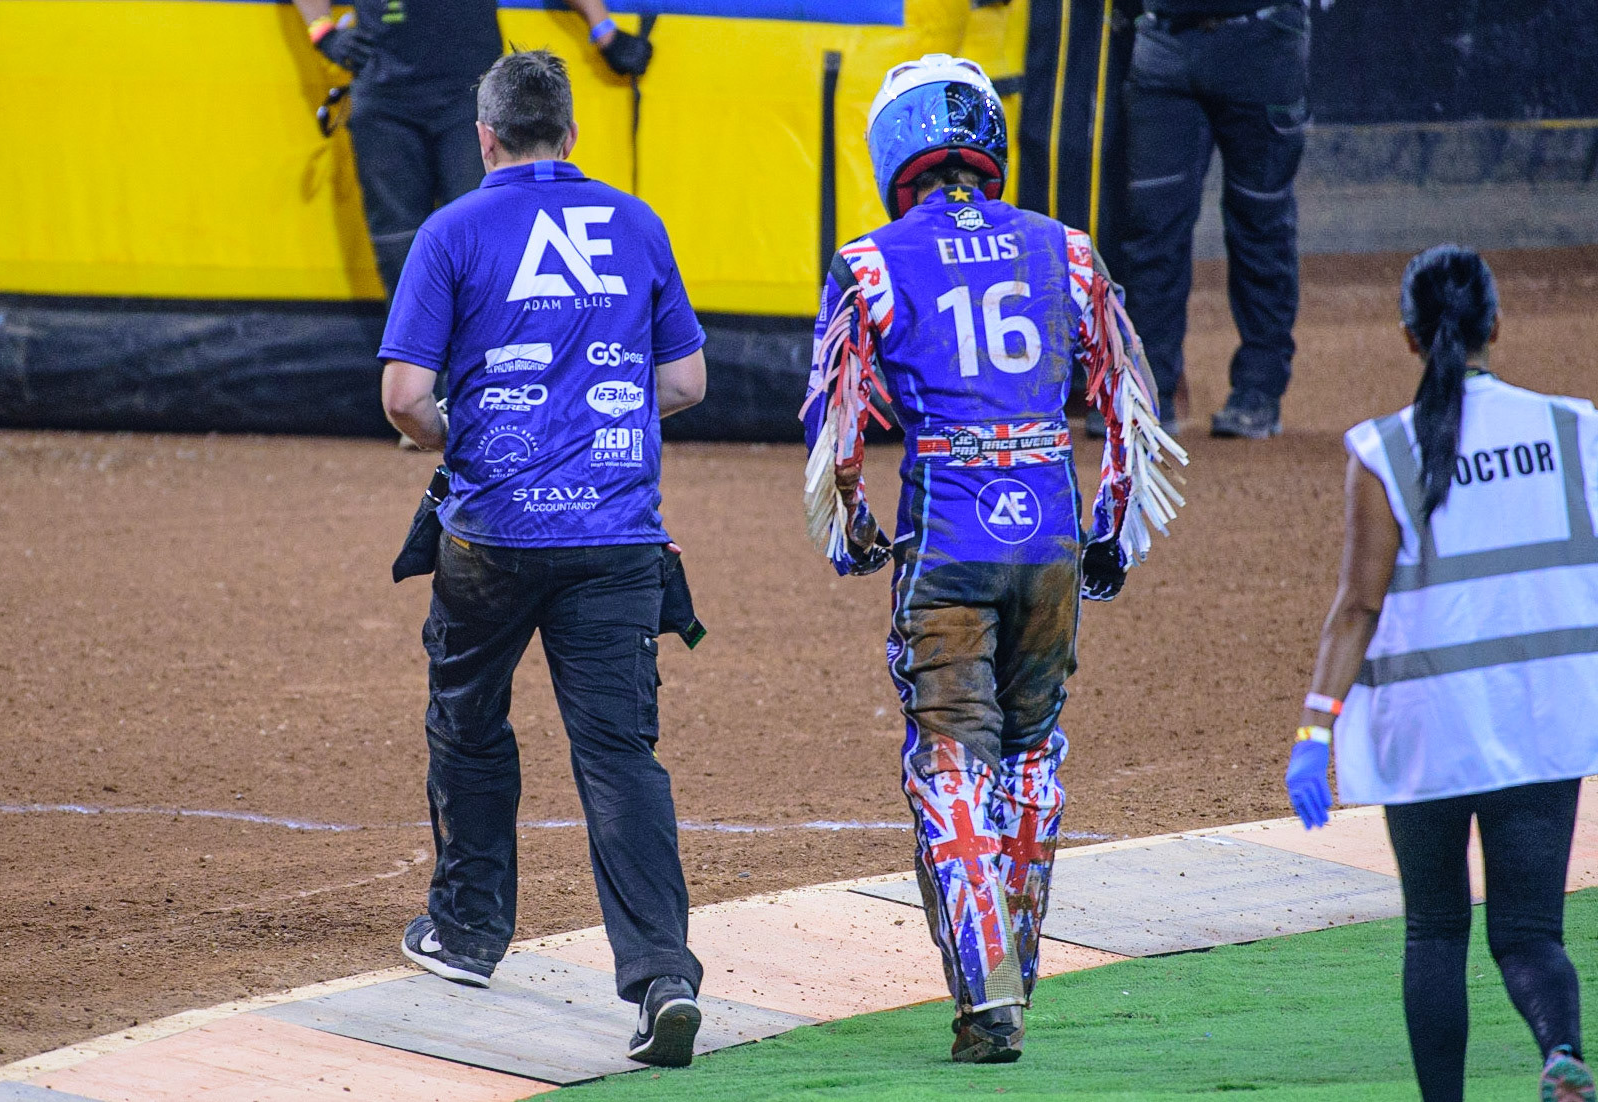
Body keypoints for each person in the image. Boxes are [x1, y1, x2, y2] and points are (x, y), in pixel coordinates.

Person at [802, 54, 1186, 1064]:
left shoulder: (869, 261)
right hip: (1052, 536)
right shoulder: (1067, 249)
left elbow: (841, 434)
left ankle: (986, 994)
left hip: (949, 541)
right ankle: (1015, 958)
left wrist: (853, 529)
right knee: (1033, 753)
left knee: (949, 757)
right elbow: (1128, 407)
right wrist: (1111, 528)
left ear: (896, 150)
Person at [378, 49, 709, 1068]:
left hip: (494, 533)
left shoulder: (451, 231)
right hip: (616, 540)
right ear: (571, 133)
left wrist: (466, 436)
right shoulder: (638, 223)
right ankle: (659, 976)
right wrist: (592, 424)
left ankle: (470, 931)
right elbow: (687, 382)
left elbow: (403, 397)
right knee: (618, 755)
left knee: (470, 719)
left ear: (485, 138)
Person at [1285, 245, 1598, 1102]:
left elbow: (1357, 607)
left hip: (1429, 727)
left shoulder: (1384, 449)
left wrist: (1315, 731)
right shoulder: (1577, 429)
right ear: (1497, 324)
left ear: (1409, 338)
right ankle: (1561, 1051)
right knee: (1532, 931)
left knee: (1435, 930)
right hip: (1542, 721)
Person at [292, 0, 654, 298]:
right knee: (398, 246)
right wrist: (321, 31)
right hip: (385, 100)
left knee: (479, 235)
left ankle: (476, 368)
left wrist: (603, 29)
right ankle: (416, 373)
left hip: (470, 98)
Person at [1118, 0, 1311, 439]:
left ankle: (1259, 389)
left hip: (1262, 41)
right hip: (1162, 43)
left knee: (1261, 223)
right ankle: (1151, 392)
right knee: (1150, 229)